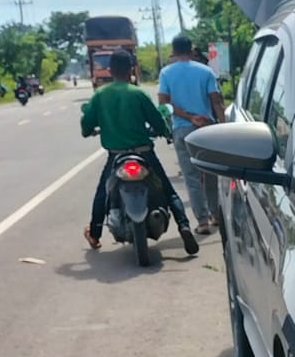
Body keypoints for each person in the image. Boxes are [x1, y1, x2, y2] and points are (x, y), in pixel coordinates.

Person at [79, 48, 197, 255]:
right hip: (144, 153)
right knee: (167, 191)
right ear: (131, 69)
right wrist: (165, 132)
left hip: (116, 155)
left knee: (102, 194)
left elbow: (86, 126)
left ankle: (95, 234)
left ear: (110, 69)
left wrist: (93, 129)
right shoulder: (138, 93)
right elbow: (158, 122)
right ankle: (184, 225)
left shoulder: (100, 95)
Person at [157, 34, 226, 236]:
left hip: (182, 128)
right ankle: (216, 214)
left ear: (173, 51)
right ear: (192, 50)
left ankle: (202, 221)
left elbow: (164, 104)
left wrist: (187, 116)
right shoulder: (206, 71)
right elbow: (217, 101)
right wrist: (223, 127)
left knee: (191, 177)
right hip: (207, 128)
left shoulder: (166, 73)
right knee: (211, 173)